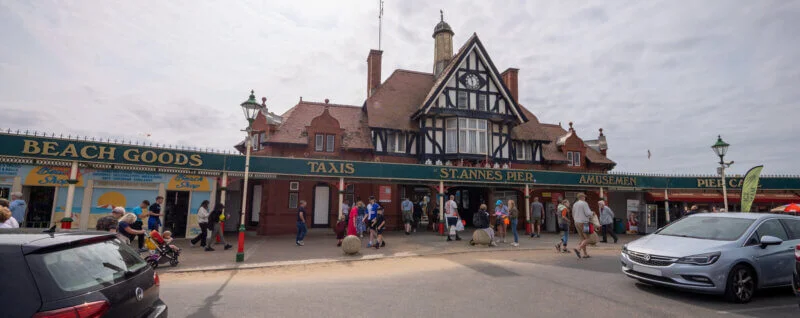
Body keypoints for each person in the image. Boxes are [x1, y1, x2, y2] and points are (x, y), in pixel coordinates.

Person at [571, 193, 594, 259]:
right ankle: (578, 248)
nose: (585, 198)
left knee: (582, 238)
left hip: (576, 222)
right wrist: (592, 213)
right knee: (588, 238)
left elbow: (573, 213)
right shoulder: (584, 203)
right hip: (584, 222)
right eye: (584, 197)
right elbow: (588, 213)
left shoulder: (575, 204)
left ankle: (585, 254)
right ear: (582, 197)